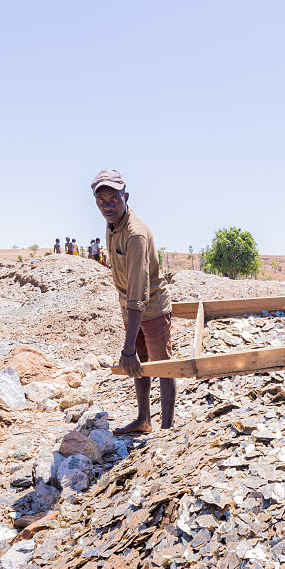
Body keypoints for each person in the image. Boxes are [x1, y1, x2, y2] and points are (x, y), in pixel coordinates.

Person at [92, 169, 175, 434]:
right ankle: (144, 419)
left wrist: (126, 345)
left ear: (125, 196)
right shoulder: (112, 225)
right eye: (101, 200)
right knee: (139, 360)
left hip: (150, 307)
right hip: (131, 308)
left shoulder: (135, 234)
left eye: (113, 199)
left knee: (163, 365)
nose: (108, 205)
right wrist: (130, 346)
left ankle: (167, 429)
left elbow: (139, 292)